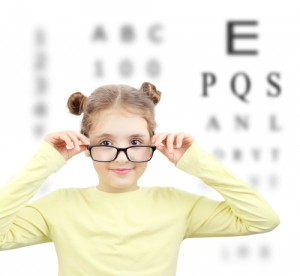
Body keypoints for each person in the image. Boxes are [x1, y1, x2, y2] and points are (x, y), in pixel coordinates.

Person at [0, 82, 279, 276]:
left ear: (154, 144)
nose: (122, 158)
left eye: (135, 141)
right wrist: (44, 163)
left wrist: (197, 161)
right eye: (106, 142)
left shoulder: (176, 204)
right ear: (85, 146)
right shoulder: (60, 206)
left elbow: (262, 219)